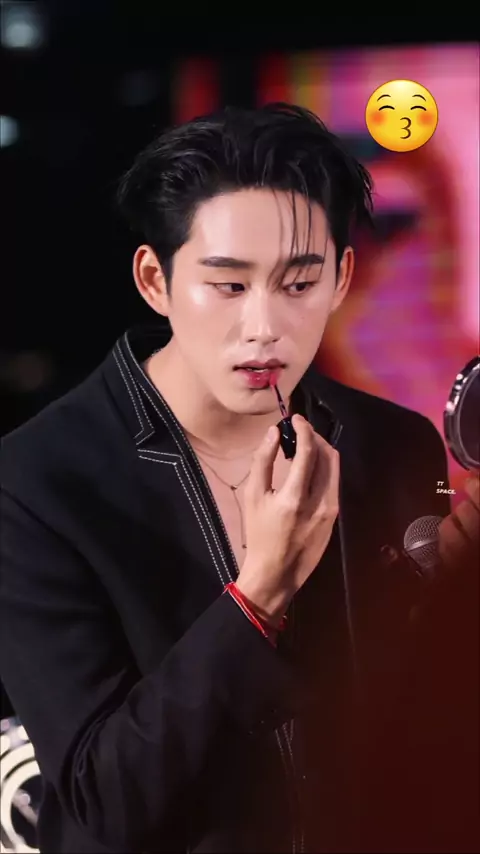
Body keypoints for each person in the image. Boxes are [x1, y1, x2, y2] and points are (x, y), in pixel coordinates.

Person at [0, 103, 450, 854]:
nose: (264, 328)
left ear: (342, 277)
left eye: (299, 284)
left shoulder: (393, 444)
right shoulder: (35, 484)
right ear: (156, 280)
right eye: (229, 286)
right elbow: (100, 805)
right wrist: (261, 593)